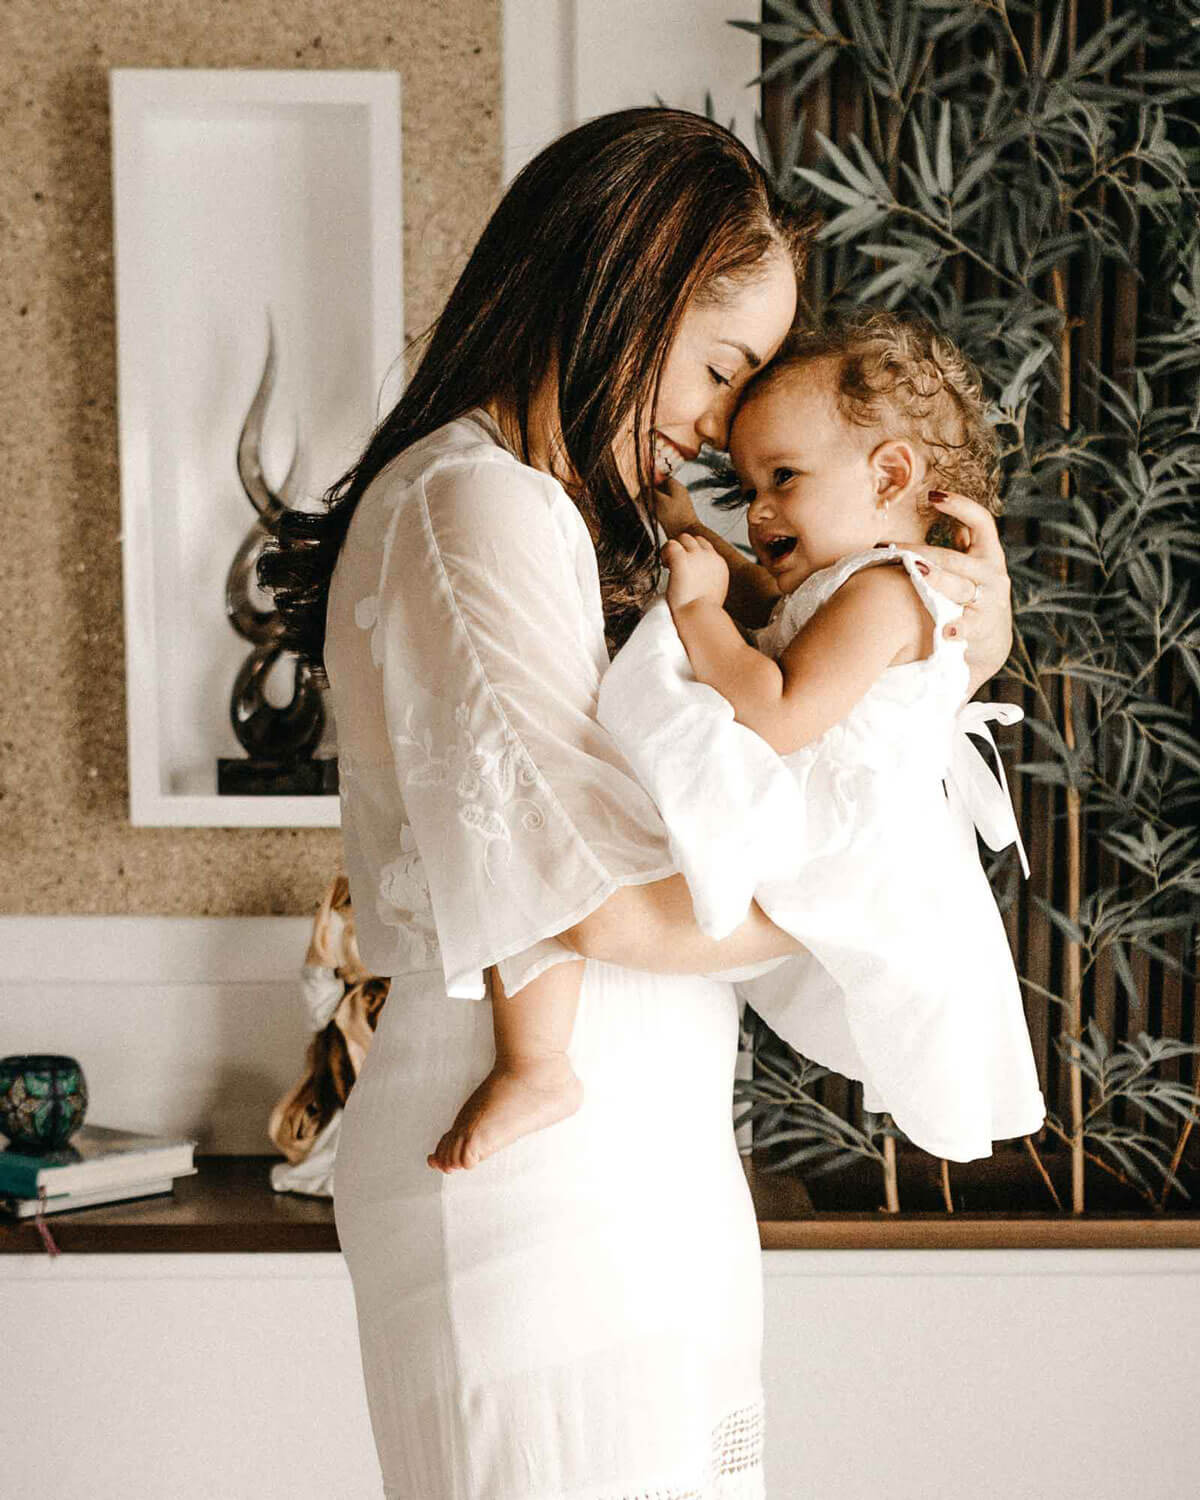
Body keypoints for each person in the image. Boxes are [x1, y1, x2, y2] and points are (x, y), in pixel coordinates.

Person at [261, 109, 1014, 1500]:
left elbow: (778, 713)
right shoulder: (474, 505)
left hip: (642, 1159)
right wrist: (868, 892)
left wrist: (953, 638)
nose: (726, 428)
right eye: (725, 370)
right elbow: (597, 903)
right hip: (544, 1192)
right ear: (634, 274)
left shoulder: (562, 510)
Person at [599, 310, 1046, 1163]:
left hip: (860, 841)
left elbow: (777, 708)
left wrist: (693, 607)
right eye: (747, 488)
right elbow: (772, 616)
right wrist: (689, 534)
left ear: (889, 476)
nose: (759, 509)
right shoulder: (852, 581)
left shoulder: (887, 593)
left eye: (783, 477)